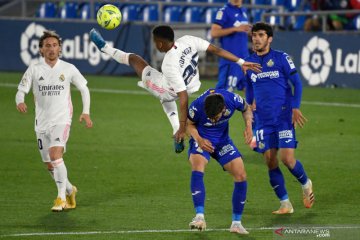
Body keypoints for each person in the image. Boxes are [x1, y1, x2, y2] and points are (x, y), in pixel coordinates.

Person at [89, 26, 261, 153]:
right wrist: (240, 61)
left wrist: (183, 127)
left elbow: (183, 98)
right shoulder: (187, 40)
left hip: (172, 90)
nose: (155, 44)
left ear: (161, 44)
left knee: (135, 60)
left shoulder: (169, 63)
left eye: (155, 42)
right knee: (167, 93)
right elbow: (215, 49)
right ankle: (175, 129)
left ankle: (104, 48)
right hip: (193, 84)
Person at [15, 30, 93, 212]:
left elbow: (84, 89)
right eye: (47, 46)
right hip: (41, 123)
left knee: (56, 155)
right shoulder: (34, 69)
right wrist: (20, 101)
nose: (51, 49)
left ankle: (60, 198)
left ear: (60, 49)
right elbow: (21, 90)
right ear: (41, 50)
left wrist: (86, 112)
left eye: (55, 45)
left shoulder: (68, 68)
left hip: (62, 119)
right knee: (50, 165)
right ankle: (69, 189)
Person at [244, 22, 314, 214]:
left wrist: (295, 107)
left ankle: (306, 183)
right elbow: (249, 92)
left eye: (260, 35)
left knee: (287, 159)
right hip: (262, 120)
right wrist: (248, 118)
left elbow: (297, 84)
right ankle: (285, 203)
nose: (256, 38)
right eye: (254, 35)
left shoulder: (282, 58)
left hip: (283, 116)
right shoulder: (248, 63)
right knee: (270, 160)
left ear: (269, 38)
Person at [186, 89, 253, 234]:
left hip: (223, 142)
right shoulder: (197, 106)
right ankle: (199, 217)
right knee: (198, 166)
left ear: (224, 109)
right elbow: (189, 124)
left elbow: (247, 108)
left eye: (215, 118)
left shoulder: (232, 100)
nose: (213, 120)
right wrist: (199, 140)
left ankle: (236, 223)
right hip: (202, 140)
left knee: (241, 174)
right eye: (210, 118)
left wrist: (248, 126)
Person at [210, 0, 251, 92]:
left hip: (244, 58)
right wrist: (235, 29)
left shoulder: (243, 10)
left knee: (250, 89)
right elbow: (214, 32)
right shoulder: (224, 11)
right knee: (224, 92)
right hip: (231, 59)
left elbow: (241, 31)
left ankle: (256, 107)